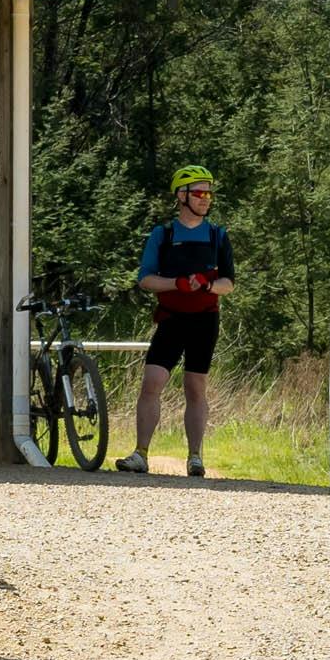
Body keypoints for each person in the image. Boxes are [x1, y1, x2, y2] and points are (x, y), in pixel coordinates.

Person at [121, 166, 233, 477]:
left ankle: (195, 457)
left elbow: (229, 283)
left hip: (204, 320)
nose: (205, 199)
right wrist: (177, 284)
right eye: (199, 193)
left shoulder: (217, 236)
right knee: (152, 383)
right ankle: (140, 453)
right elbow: (145, 279)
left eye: (208, 194)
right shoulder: (164, 234)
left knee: (195, 387)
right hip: (171, 319)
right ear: (181, 196)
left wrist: (208, 285)